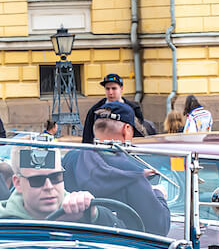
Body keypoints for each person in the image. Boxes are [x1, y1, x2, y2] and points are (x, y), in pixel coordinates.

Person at [64, 101, 171, 235]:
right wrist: (159, 194)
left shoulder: (70, 158)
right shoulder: (131, 174)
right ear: (126, 130)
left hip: (72, 246)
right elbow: (159, 228)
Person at [0, 145, 119, 226]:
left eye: (56, 177)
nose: (49, 186)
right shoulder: (5, 229)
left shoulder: (83, 210)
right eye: (37, 180)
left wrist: (94, 214)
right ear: (18, 183)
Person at [82, 73, 147, 144]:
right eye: (107, 89)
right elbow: (87, 135)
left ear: (121, 89)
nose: (110, 92)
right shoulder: (95, 110)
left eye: (114, 88)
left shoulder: (134, 108)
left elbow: (140, 133)